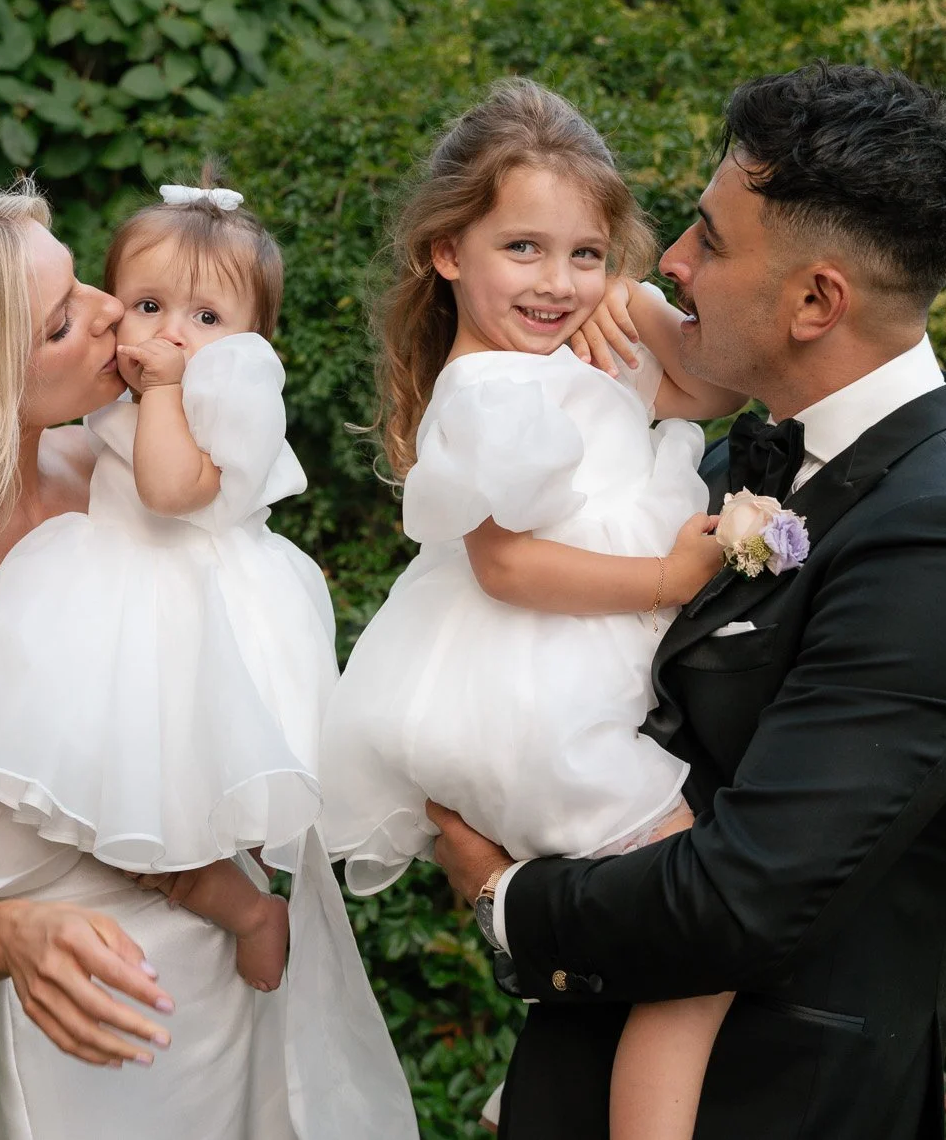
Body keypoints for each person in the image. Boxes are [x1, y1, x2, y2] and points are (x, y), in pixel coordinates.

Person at [427, 62, 946, 1140]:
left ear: (817, 301)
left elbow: (745, 895)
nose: (669, 262)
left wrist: (506, 901)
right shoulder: (744, 459)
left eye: (710, 243)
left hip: (764, 1106)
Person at [0, 181, 409, 1140]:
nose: (117, 311)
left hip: (243, 971)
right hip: (99, 1024)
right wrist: (17, 932)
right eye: (67, 319)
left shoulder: (120, 485)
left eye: (83, 281)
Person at [318, 78, 748, 1140]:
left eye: (585, 255)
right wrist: (662, 582)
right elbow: (506, 567)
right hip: (529, 709)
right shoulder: (484, 395)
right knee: (702, 942)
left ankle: (556, 1081)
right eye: (523, 250)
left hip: (556, 688)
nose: (557, 284)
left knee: (653, 933)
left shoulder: (558, 359)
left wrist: (637, 304)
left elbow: (708, 387)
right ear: (445, 251)